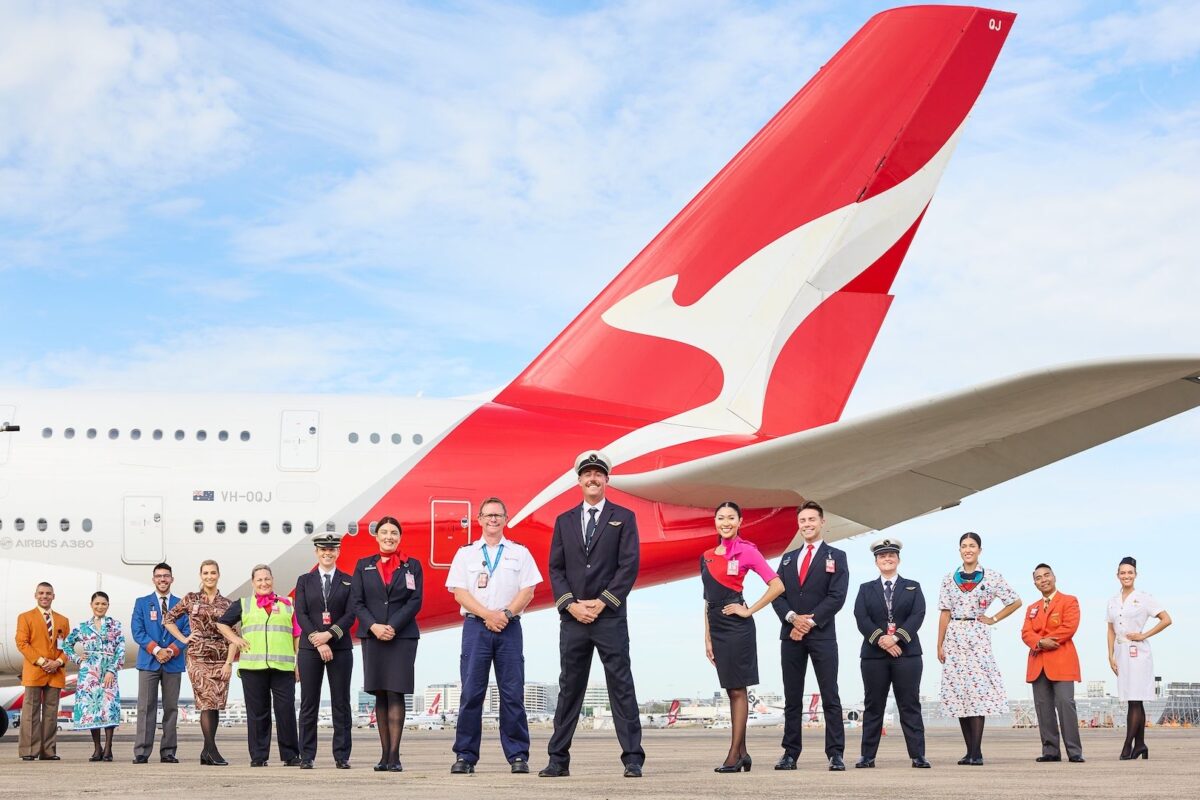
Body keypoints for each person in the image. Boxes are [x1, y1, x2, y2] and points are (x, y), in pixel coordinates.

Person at [540, 451, 644, 779]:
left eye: (599, 474)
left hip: (609, 617)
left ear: (607, 480)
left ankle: (632, 759)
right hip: (573, 619)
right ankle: (558, 760)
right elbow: (555, 569)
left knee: (621, 686)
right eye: (588, 474)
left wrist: (603, 602)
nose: (593, 479)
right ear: (580, 480)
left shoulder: (623, 517)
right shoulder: (564, 520)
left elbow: (629, 565)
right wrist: (571, 604)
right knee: (570, 687)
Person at [445, 497, 542, 774]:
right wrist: (488, 615)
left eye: (498, 515)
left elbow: (528, 590)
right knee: (471, 693)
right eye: (488, 515)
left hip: (509, 627)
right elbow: (459, 592)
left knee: (512, 694)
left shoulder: (519, 553)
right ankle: (465, 755)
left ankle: (518, 756)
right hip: (476, 627)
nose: (493, 520)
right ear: (479, 519)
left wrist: (506, 615)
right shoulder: (466, 554)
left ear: (506, 518)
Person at [702, 501, 784, 773]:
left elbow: (777, 585)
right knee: (731, 689)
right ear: (715, 521)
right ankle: (744, 753)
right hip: (717, 627)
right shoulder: (707, 555)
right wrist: (708, 638)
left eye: (731, 518)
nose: (725, 523)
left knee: (738, 690)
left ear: (739, 522)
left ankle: (734, 756)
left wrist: (748, 611)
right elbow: (706, 599)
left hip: (737, 627)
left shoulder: (747, 552)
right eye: (721, 518)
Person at [770, 501, 849, 771]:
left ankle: (835, 753)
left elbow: (837, 597)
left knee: (830, 695)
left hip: (822, 634)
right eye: (803, 520)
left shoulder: (837, 556)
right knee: (792, 696)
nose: (807, 524)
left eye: (812, 519)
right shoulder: (788, 558)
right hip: (790, 634)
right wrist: (793, 618)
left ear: (822, 522)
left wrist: (810, 621)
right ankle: (790, 753)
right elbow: (776, 594)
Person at [936, 531, 1021, 766]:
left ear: (979, 550)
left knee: (977, 691)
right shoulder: (949, 578)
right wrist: (940, 643)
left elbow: (1015, 600)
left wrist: (993, 618)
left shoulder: (991, 577)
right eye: (964, 546)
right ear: (959, 550)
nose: (968, 549)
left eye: (972, 545)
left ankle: (976, 750)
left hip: (977, 634)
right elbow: (944, 612)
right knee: (959, 693)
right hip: (954, 633)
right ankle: (969, 750)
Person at [351, 515, 423, 772]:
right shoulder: (363, 565)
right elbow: (356, 602)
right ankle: (383, 756)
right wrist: (374, 626)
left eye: (394, 532)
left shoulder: (412, 565)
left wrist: (392, 626)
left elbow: (415, 601)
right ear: (377, 536)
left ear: (400, 537)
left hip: (401, 636)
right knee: (380, 693)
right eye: (384, 532)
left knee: (396, 692)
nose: (389, 537)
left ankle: (395, 756)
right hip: (373, 636)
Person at [852, 538, 929, 769]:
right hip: (874, 656)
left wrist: (896, 638)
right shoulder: (866, 589)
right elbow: (861, 618)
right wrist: (882, 640)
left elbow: (918, 615)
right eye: (882, 556)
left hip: (907, 655)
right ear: (876, 561)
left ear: (898, 559)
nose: (887, 559)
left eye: (891, 555)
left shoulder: (913, 586)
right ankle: (867, 756)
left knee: (910, 704)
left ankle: (918, 755)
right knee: (873, 705)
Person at [217, 564, 302, 767]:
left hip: (283, 667)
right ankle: (258, 756)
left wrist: (298, 663)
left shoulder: (288, 603)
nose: (264, 583)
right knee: (257, 713)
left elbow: (297, 635)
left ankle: (290, 755)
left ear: (272, 580)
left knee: (286, 711)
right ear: (253, 583)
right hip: (252, 668)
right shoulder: (244, 604)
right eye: (259, 580)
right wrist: (235, 640)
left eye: (267, 579)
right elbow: (222, 623)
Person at [163, 559, 234, 766]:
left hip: (220, 656)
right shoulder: (191, 599)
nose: (209, 576)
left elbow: (233, 636)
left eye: (213, 573)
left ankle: (206, 752)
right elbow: (168, 619)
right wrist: (184, 639)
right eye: (205, 573)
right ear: (200, 576)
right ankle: (212, 750)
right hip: (198, 655)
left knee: (216, 704)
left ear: (218, 575)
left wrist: (229, 662)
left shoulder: (227, 604)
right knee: (207, 700)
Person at [295, 533, 355, 769]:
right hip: (311, 649)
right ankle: (307, 755)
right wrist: (319, 642)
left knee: (341, 702)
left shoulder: (349, 581)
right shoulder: (304, 581)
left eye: (332, 550)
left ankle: (341, 756)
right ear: (316, 552)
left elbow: (351, 614)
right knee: (309, 703)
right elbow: (301, 613)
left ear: (338, 552)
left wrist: (329, 636)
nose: (327, 553)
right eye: (323, 550)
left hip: (340, 647)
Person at [1106, 556, 1172, 760]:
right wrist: (1110, 655)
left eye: (1130, 572)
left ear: (1135, 575)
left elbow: (1166, 619)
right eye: (1122, 573)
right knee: (1132, 700)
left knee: (1135, 699)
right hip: (1120, 651)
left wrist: (1144, 634)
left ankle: (1128, 745)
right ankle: (1141, 745)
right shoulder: (1113, 601)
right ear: (1117, 576)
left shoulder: (1144, 598)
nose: (1126, 576)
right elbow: (1110, 629)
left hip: (1138, 651)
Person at [1020, 563, 1083, 763]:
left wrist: (1047, 641)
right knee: (1043, 708)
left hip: (1062, 661)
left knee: (1066, 704)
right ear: (1034, 582)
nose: (1043, 580)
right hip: (1038, 663)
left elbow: (1069, 627)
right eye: (1038, 577)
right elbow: (1026, 633)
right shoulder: (1032, 608)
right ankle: (1050, 751)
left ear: (1054, 577)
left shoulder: (1069, 601)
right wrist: (1039, 642)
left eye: (1046, 575)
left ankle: (1074, 751)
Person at [130, 562, 188, 764]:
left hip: (173, 663)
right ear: (153, 579)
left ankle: (168, 751)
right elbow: (137, 631)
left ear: (172, 579)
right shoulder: (142, 603)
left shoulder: (182, 605)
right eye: (159, 576)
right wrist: (156, 650)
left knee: (171, 708)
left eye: (166, 576)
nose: (162, 579)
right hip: (149, 662)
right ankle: (142, 751)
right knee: (146, 707)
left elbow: (187, 632)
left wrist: (170, 651)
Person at [63, 591, 126, 761]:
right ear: (91, 605)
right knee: (93, 710)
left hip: (108, 670)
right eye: (97, 603)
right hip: (89, 672)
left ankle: (108, 747)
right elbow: (66, 644)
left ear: (108, 605)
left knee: (108, 708)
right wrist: (77, 658)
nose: (100, 607)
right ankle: (97, 748)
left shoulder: (115, 625)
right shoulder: (82, 626)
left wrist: (112, 670)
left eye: (103, 604)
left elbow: (120, 649)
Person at [14, 582, 69, 761]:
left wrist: (58, 662)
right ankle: (29, 750)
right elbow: (22, 643)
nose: (44, 596)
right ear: (36, 595)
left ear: (54, 596)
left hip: (55, 672)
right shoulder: (25, 617)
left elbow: (67, 647)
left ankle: (48, 751)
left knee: (51, 713)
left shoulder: (62, 620)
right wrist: (42, 661)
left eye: (48, 593)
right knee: (30, 712)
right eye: (41, 593)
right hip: (34, 671)